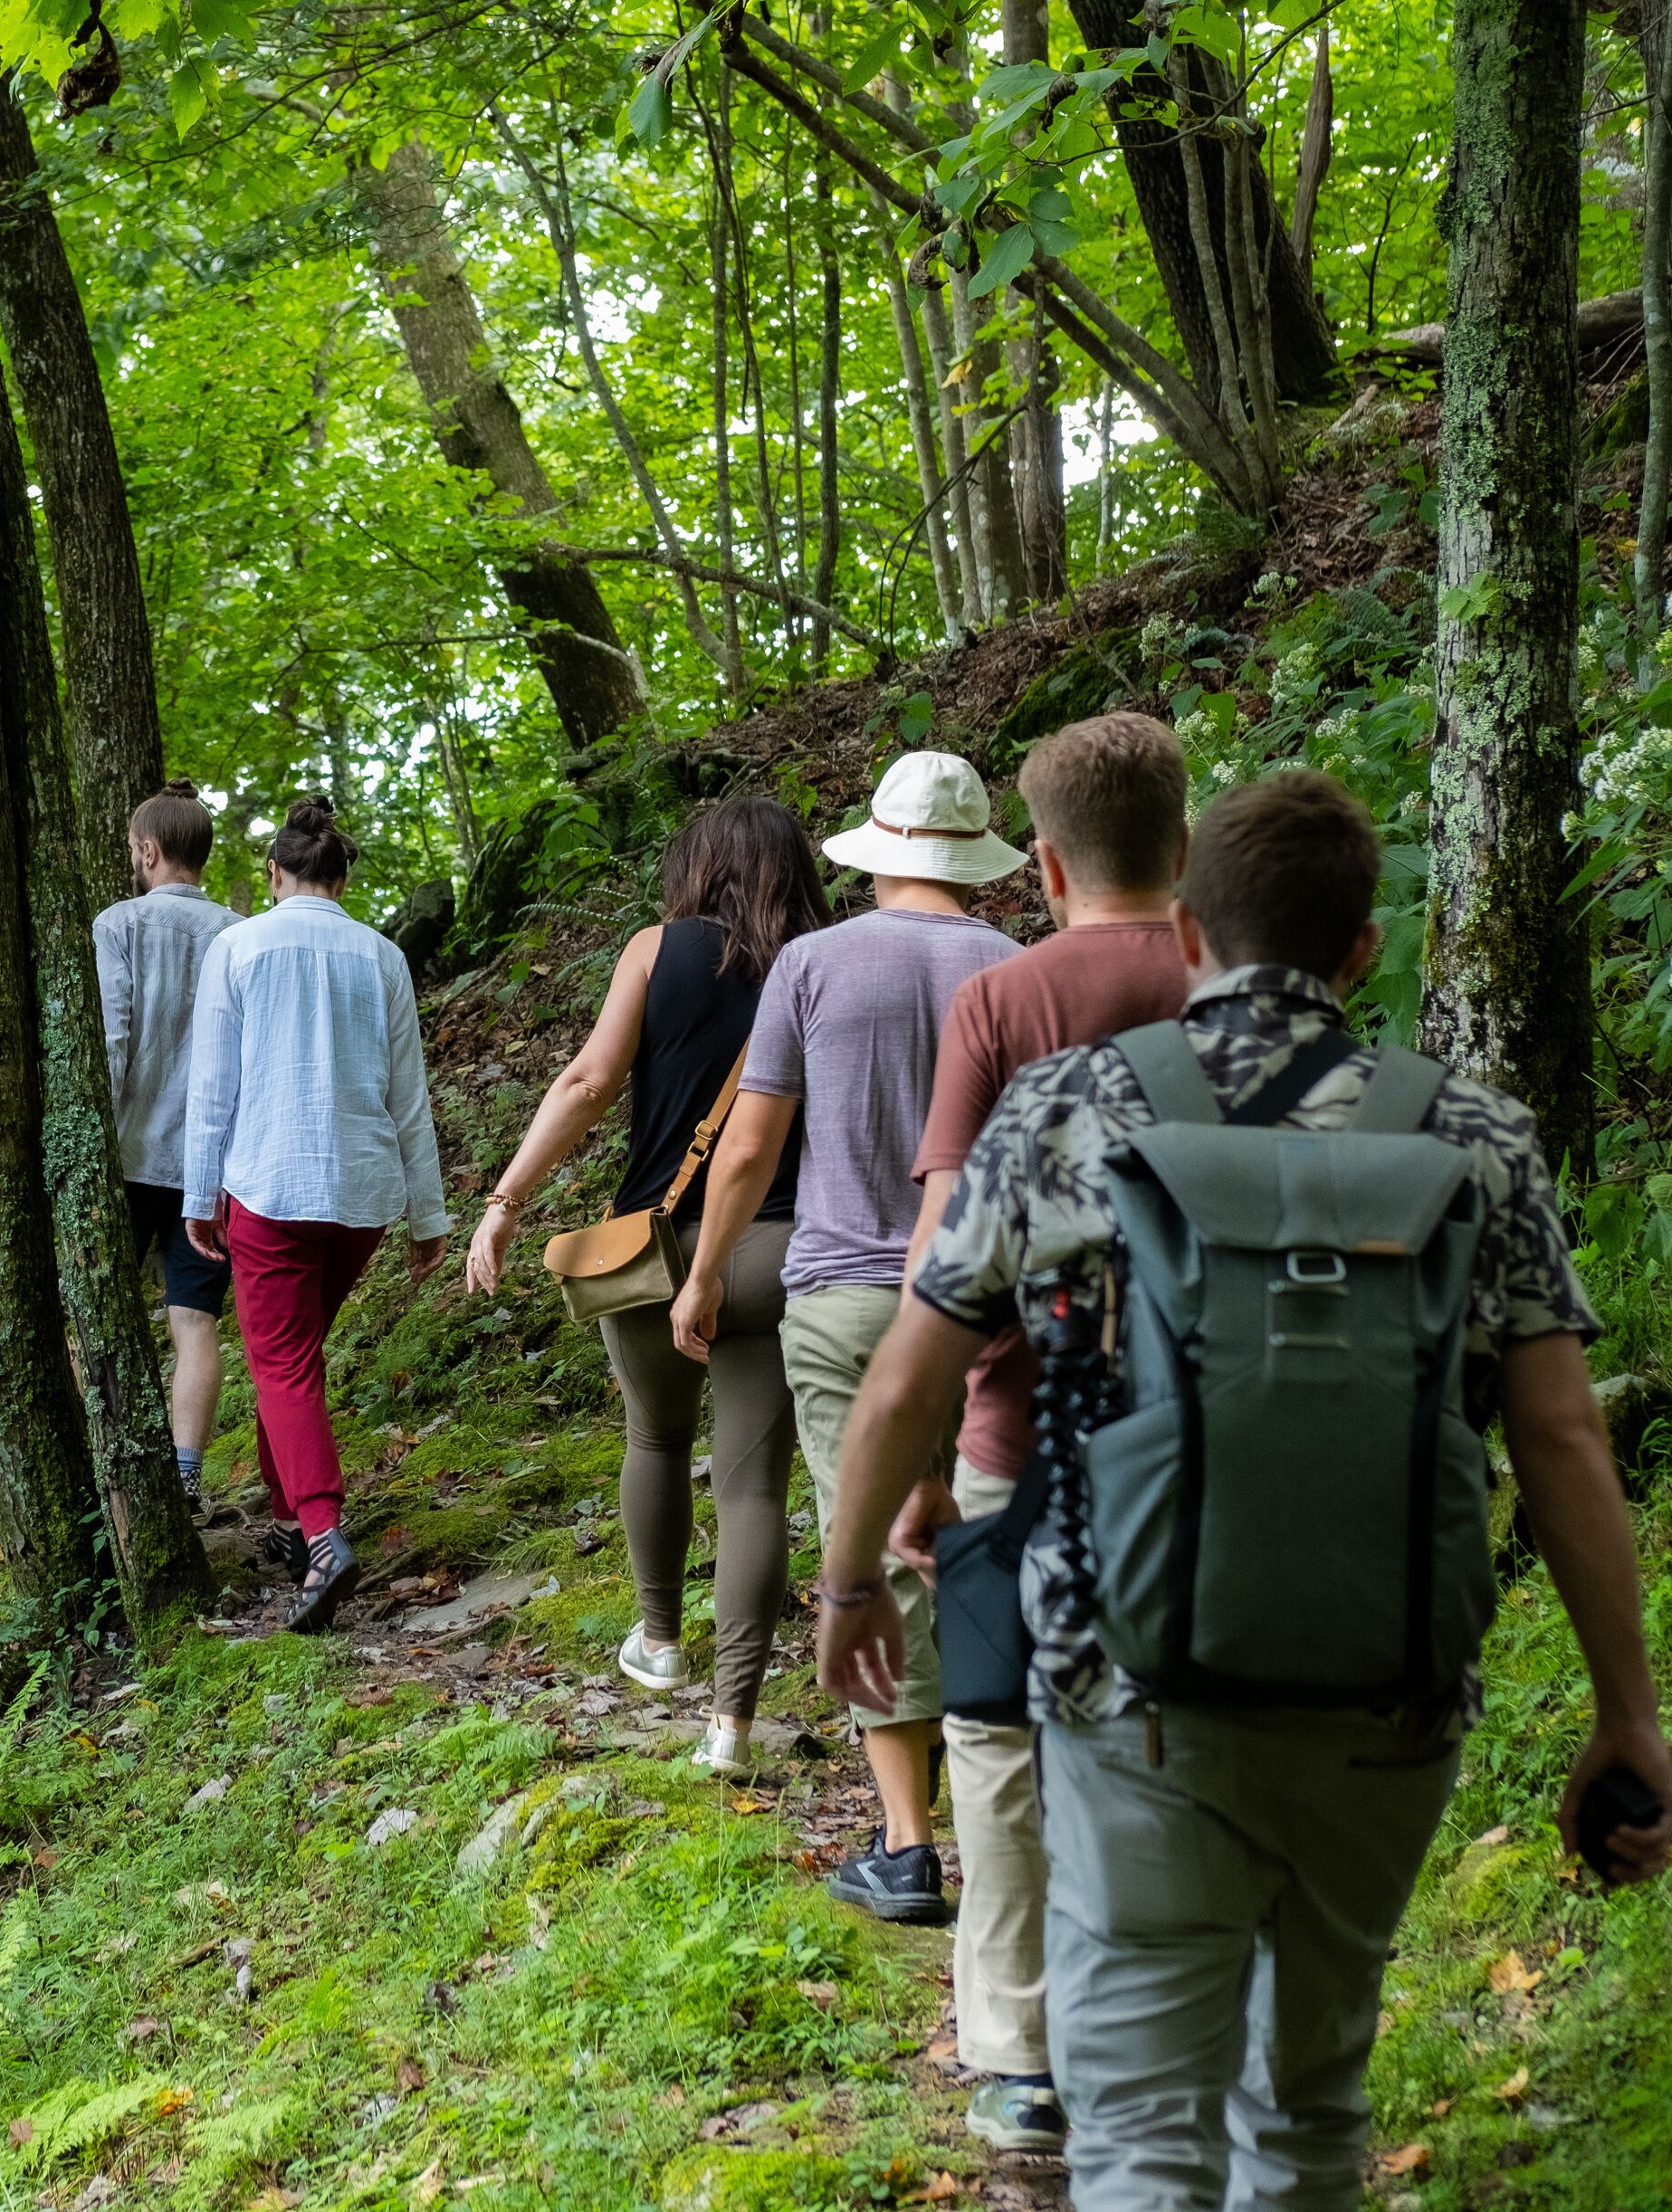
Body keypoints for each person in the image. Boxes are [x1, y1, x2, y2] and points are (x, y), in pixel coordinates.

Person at [811, 768, 1672, 2212]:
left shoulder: (1067, 1110)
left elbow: (905, 1381)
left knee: (1144, 2136)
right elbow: (1565, 1443)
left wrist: (851, 1585)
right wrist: (1625, 1713)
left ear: (1193, 932)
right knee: (1309, 2111)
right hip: (1386, 1691)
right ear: (1362, 950)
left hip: (1132, 1699)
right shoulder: (1472, 1134)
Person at [879, 712, 1193, 2159]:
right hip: (1210, 1417)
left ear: (1047, 866)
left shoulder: (1003, 1000)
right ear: (1184, 848)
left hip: (1021, 1408)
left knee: (1001, 1733)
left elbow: (941, 1240)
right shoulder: (1231, 978)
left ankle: (1020, 2053)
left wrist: (919, 1451)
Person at [671, 749, 1023, 1835]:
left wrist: (701, 1276)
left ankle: (908, 1840)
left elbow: (748, 1146)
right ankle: (994, 1802)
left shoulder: (815, 964)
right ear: (976, 860)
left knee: (870, 1555)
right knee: (973, 1534)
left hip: (842, 1301)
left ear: (875, 854)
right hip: (981, 1304)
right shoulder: (1017, 967)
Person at [461, 798, 831, 1763]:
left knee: (656, 1438)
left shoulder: (653, 951)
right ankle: (731, 1720)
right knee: (756, 1487)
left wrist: (506, 1200)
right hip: (784, 1246)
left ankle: (660, 1641)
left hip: (658, 1252)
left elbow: (588, 1080)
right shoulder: (825, 960)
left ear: (700, 866)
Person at [177, 796, 450, 1634]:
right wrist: (427, 1213)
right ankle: (291, 1519)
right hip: (364, 1192)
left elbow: (212, 1086)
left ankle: (325, 1533)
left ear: (273, 873)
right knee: (293, 1355)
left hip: (269, 1184)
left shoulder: (238, 945)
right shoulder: (381, 956)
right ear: (340, 876)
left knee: (283, 1363)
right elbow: (410, 1091)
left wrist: (198, 1194)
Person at [95, 780, 240, 1495]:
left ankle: (105, 1469)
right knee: (194, 1322)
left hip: (126, 1154)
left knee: (98, 1309)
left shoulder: (118, 925)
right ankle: (185, 1477)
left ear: (148, 850)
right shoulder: (237, 933)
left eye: (132, 849)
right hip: (209, 1166)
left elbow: (114, 1038)